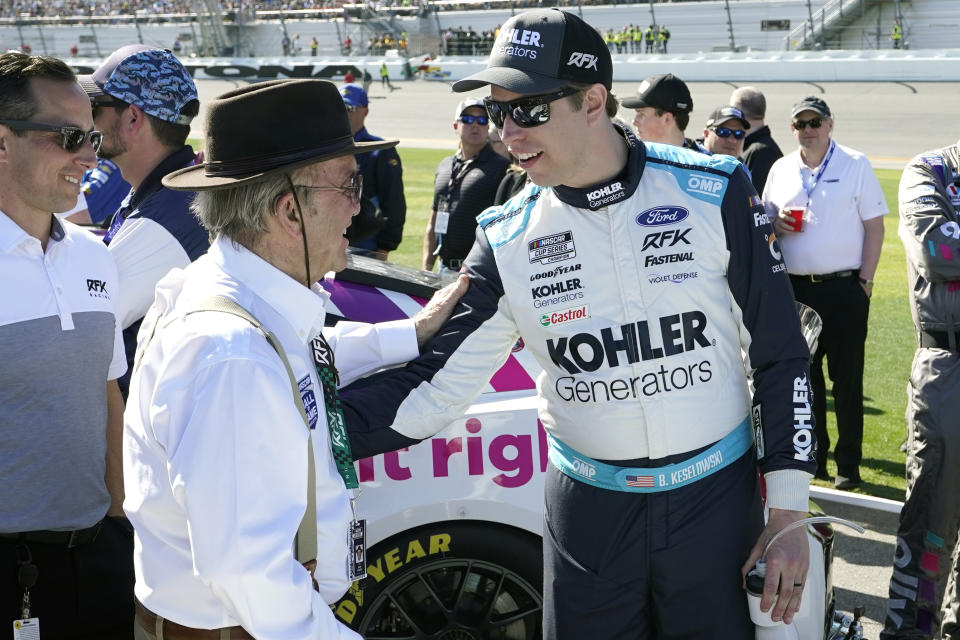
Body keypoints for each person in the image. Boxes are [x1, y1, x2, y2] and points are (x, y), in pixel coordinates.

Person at [347, 9, 816, 638]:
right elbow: (433, 390)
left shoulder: (714, 190)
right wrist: (296, 423)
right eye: (496, 110)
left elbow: (781, 355)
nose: (507, 131)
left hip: (715, 505)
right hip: (589, 515)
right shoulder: (505, 236)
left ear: (593, 100)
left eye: (528, 110)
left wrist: (788, 512)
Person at [125, 78, 467, 639]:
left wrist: (411, 333)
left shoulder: (234, 300)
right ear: (289, 211)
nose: (360, 207)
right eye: (349, 186)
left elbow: (293, 358)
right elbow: (248, 573)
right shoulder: (231, 354)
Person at [0, 51, 133, 638]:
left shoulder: (92, 254)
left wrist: (119, 521)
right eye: (69, 136)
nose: (88, 155)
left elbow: (105, 394)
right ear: (3, 143)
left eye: (93, 138)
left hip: (98, 557)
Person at [762, 96, 887, 489]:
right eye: (800, 124)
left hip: (846, 289)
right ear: (792, 130)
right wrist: (776, 226)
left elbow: (875, 226)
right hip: (796, 290)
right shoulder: (781, 168)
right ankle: (814, 460)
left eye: (815, 122)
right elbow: (764, 221)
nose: (808, 130)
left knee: (847, 380)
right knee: (805, 379)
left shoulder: (855, 163)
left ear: (830, 124)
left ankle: (848, 465)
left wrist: (865, 283)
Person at [80, 44, 209, 398]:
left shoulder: (165, 218)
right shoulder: (170, 189)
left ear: (133, 118)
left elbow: (85, 325)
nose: (86, 119)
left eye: (95, 108)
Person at [881, 140, 960, 640]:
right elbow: (941, 251)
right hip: (948, 367)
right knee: (931, 525)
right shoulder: (931, 169)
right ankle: (911, 632)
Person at [422, 97, 509, 274]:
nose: (475, 124)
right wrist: (426, 269)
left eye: (482, 120)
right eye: (468, 119)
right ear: (456, 126)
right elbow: (434, 220)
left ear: (487, 127)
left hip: (479, 272)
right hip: (443, 267)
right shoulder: (445, 166)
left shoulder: (502, 168)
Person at [340, 84, 406, 259]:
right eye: (339, 108)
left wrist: (385, 246)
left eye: (349, 108)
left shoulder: (379, 150)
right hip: (330, 241)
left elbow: (394, 201)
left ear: (365, 111)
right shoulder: (327, 150)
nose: (343, 113)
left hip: (366, 245)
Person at [624, 72, 700, 151]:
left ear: (667, 119)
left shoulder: (704, 162)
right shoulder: (632, 158)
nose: (634, 122)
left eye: (642, 115)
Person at [730, 86, 784, 194]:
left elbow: (752, 201)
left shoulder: (761, 152)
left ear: (738, 112)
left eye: (732, 111)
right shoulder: (759, 148)